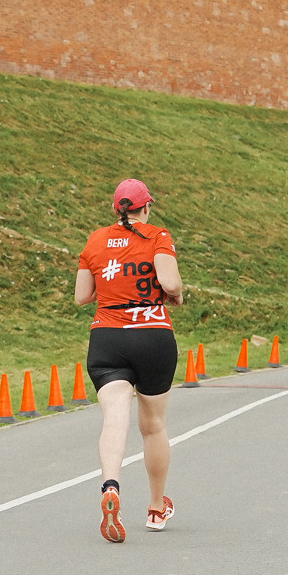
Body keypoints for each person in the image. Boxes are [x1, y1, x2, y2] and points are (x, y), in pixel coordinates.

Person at [76, 179, 183, 541]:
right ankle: (156, 508)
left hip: (107, 338)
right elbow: (170, 283)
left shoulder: (96, 239)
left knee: (113, 420)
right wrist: (176, 294)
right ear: (146, 207)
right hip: (152, 335)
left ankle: (111, 486)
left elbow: (82, 295)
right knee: (153, 425)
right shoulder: (158, 236)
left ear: (115, 208)